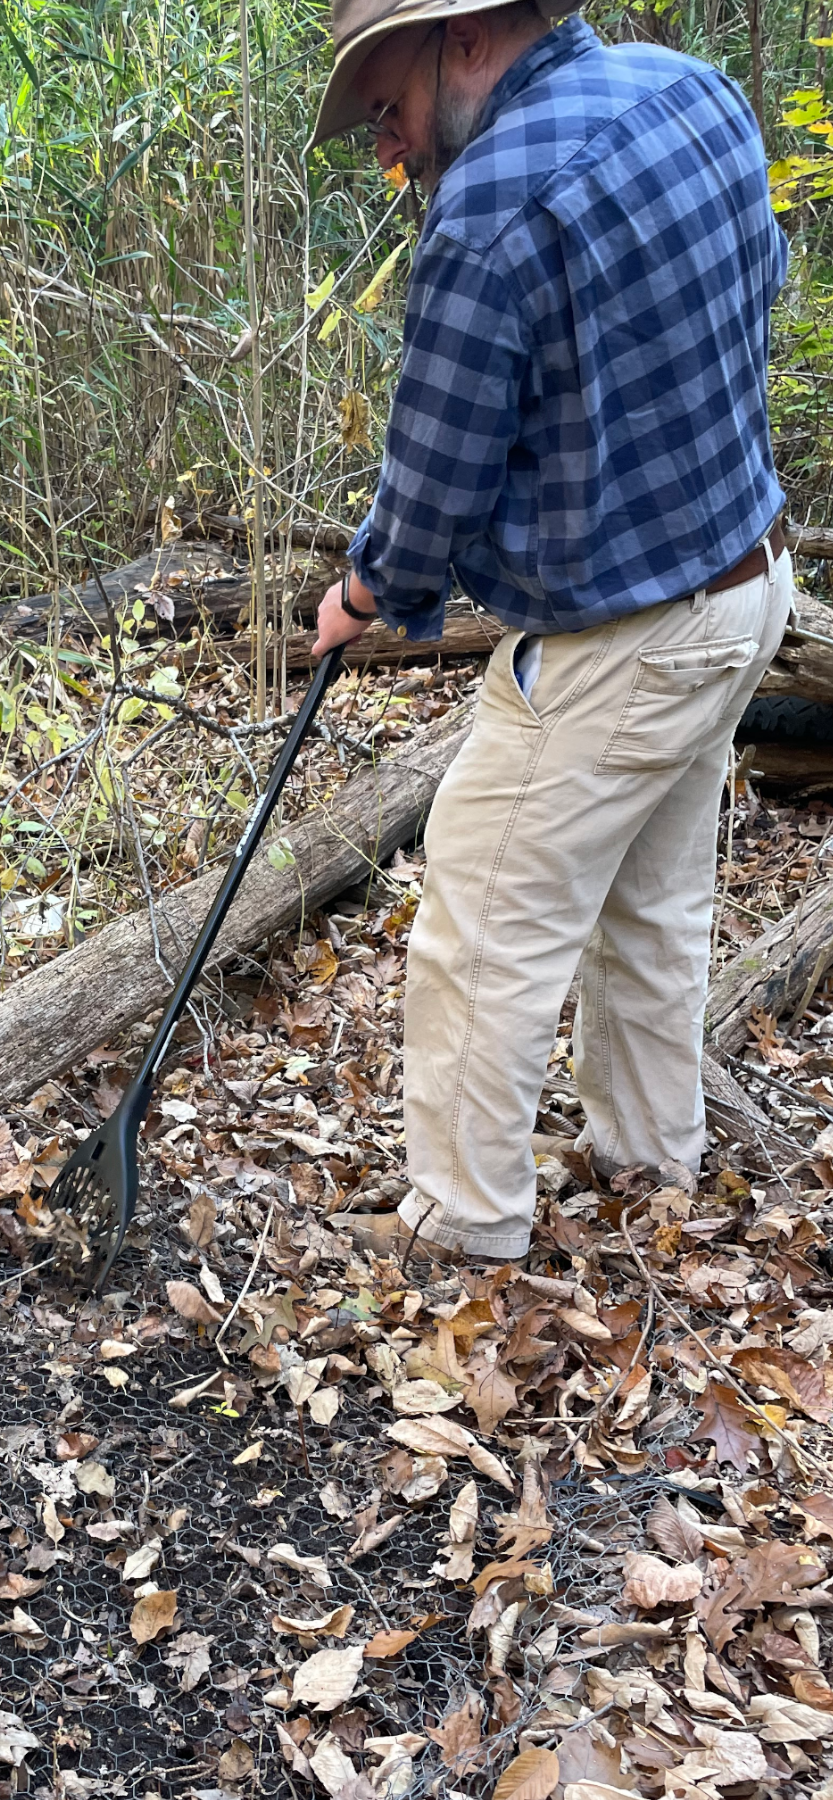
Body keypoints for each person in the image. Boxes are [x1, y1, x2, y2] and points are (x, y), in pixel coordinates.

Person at [307, 0, 792, 1267]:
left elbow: (435, 483)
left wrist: (363, 595)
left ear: (461, 43)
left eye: (389, 112)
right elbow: (747, 309)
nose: (392, 152)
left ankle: (462, 1231)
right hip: (748, 592)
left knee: (478, 937)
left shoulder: (488, 215)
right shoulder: (690, 91)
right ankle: (648, 1170)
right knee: (654, 911)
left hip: (623, 645)